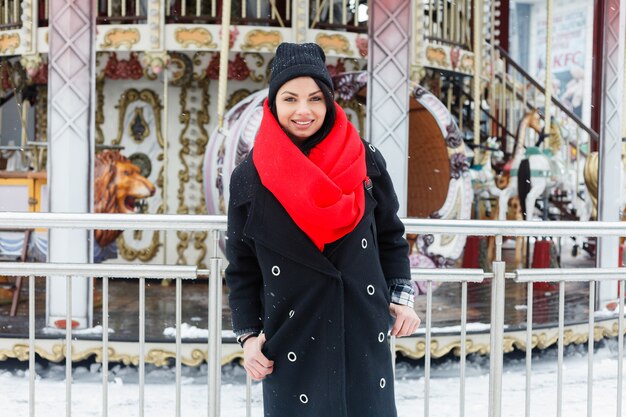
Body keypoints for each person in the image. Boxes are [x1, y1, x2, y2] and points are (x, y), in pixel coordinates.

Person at [225, 42, 420, 417]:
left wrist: (401, 295)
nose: (303, 111)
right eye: (290, 98)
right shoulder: (249, 177)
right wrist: (249, 337)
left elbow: (389, 236)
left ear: (329, 102)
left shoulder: (365, 159)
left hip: (361, 325)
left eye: (315, 98)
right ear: (273, 103)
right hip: (292, 332)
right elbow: (242, 266)